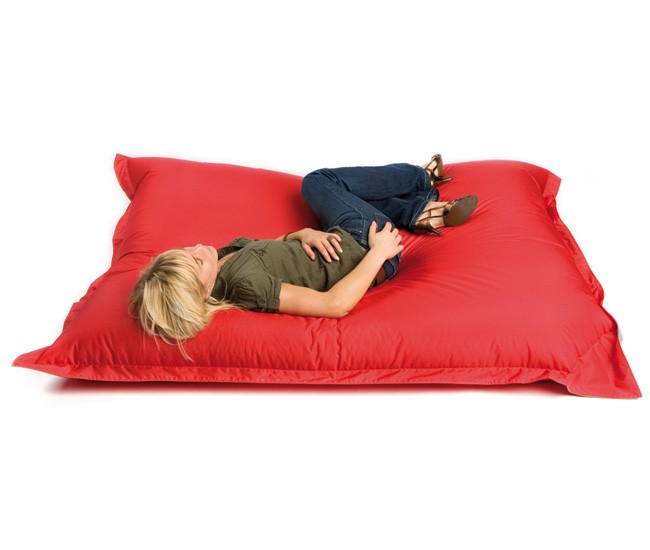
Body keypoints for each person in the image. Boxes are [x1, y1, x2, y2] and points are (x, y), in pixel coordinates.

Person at [129, 154, 478, 345]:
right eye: (195, 263)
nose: (196, 249)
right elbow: (334, 305)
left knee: (341, 197)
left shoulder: (220, 260)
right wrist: (378, 253)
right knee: (319, 181)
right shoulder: (244, 284)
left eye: (184, 251)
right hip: (363, 244)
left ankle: (421, 212)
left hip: (343, 239)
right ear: (203, 293)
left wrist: (302, 234)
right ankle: (420, 177)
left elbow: (273, 249)